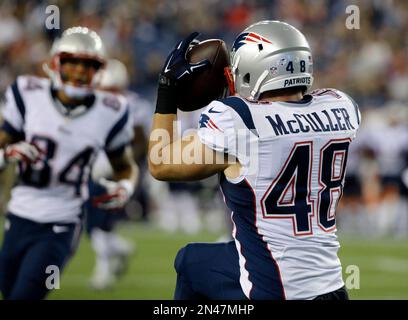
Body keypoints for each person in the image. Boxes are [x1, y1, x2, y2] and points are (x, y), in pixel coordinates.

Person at [148, 21, 361, 300]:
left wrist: (166, 92)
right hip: (331, 288)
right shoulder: (341, 106)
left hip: (275, 289)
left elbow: (160, 161)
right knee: (195, 261)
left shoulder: (240, 119)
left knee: (190, 262)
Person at [0, 27, 138, 300]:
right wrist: (6, 156)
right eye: (72, 63)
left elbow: (125, 166)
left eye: (87, 65)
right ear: (56, 63)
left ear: (98, 70)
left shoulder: (110, 111)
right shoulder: (27, 93)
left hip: (61, 224)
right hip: (18, 217)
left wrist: (125, 187)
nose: (79, 72)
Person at [86, 58, 152, 289]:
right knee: (96, 222)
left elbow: (142, 144)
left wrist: (119, 165)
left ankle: (103, 271)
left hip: (120, 173)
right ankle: (120, 248)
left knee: (100, 221)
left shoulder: (134, 105)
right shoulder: (92, 104)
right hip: (95, 169)